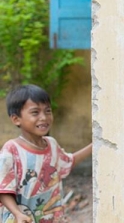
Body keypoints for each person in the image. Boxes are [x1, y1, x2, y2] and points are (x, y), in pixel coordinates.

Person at [0, 84, 92, 223]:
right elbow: (3, 189)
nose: (44, 117)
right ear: (16, 119)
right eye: (35, 112)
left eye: (48, 111)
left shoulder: (52, 144)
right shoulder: (12, 149)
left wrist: (95, 145)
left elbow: (69, 161)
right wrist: (17, 214)